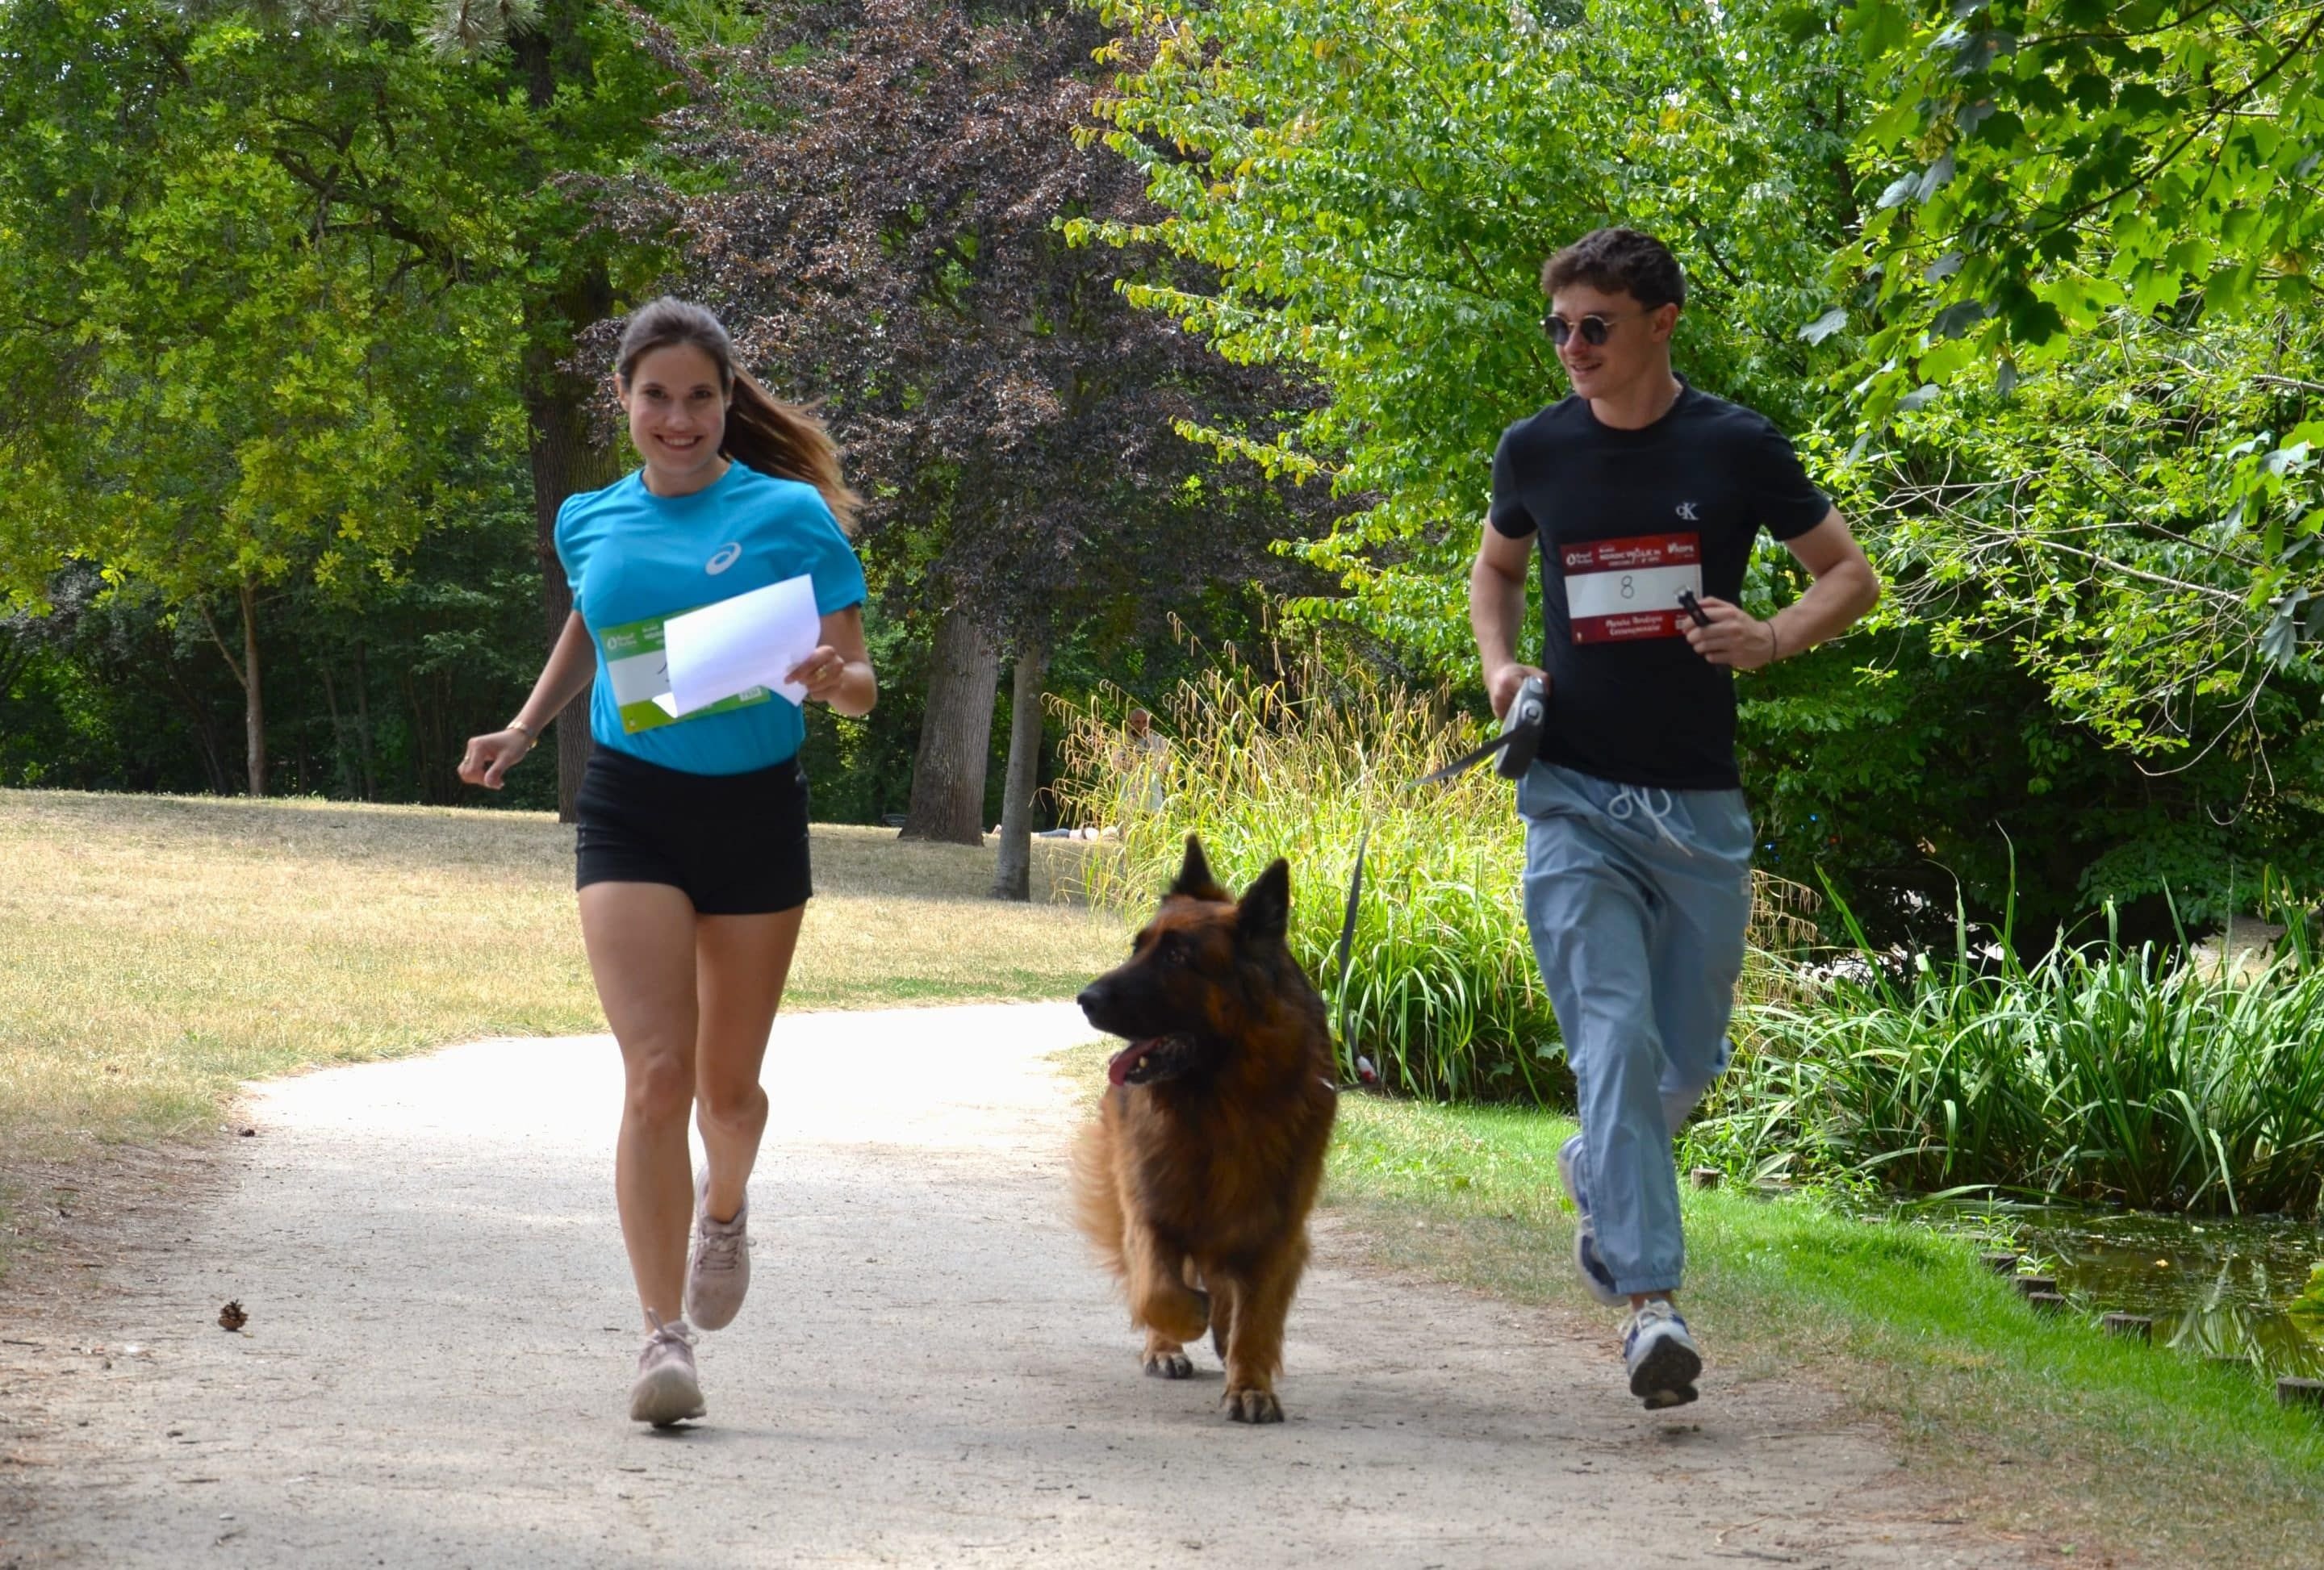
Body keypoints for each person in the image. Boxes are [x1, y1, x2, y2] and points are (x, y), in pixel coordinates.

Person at [1468, 229, 1879, 1409]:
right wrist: (1502, 672)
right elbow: (1496, 571)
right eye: (1557, 328)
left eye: (1594, 325)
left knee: (1684, 1063)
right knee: (1614, 1035)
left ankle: (1601, 1164)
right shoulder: (1535, 449)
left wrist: (1773, 636)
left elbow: (1848, 573)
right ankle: (1652, 1306)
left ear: (1663, 322)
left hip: (1697, 805)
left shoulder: (1735, 444)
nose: (1572, 349)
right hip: (1573, 796)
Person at [458, 298, 876, 1426]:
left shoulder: (789, 514)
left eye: (699, 396)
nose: (678, 417)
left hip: (754, 814)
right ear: (624, 401)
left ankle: (724, 1205)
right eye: (657, 396)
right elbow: (595, 622)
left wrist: (838, 684)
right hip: (631, 807)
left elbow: (859, 671)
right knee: (657, 1073)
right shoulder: (587, 519)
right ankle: (659, 1338)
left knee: (728, 1096)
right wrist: (528, 725)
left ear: (728, 399)